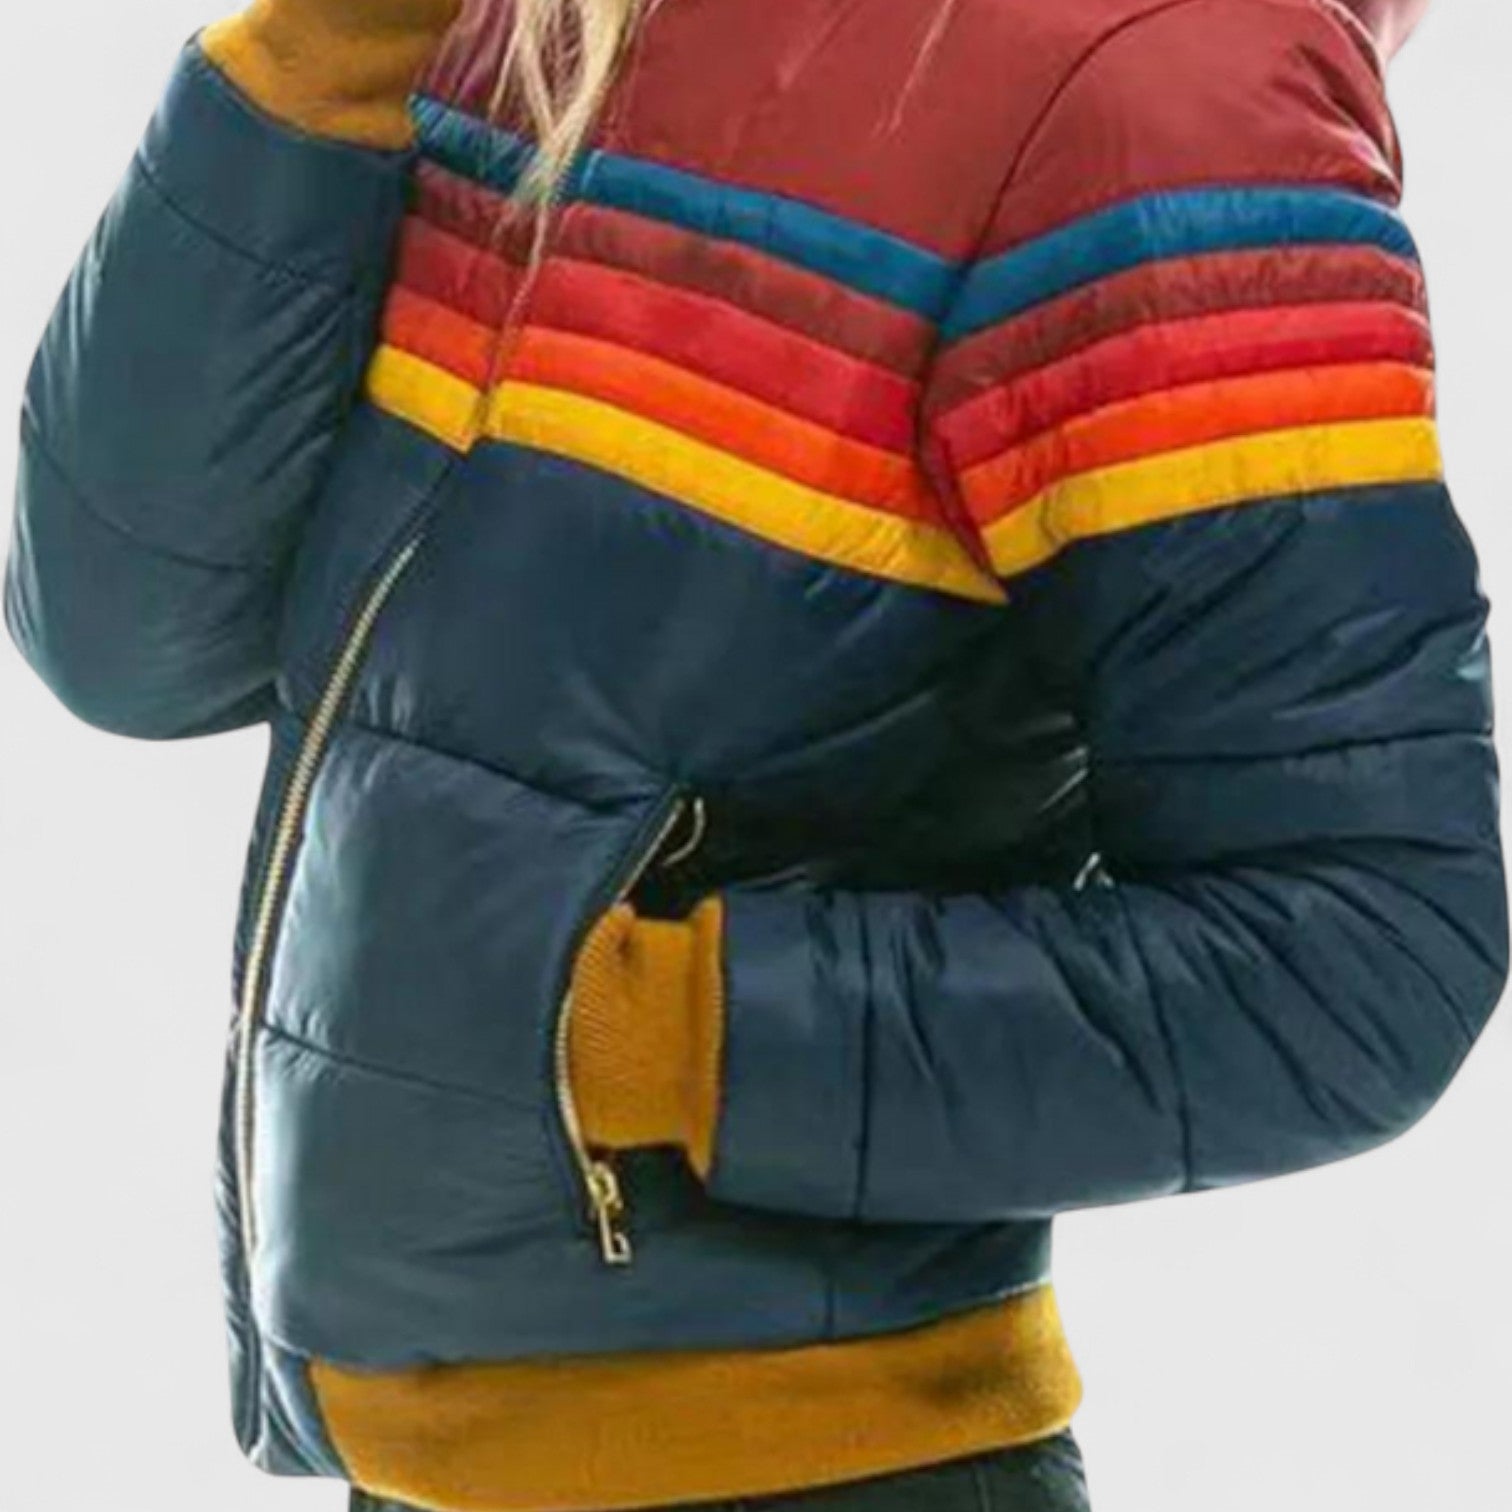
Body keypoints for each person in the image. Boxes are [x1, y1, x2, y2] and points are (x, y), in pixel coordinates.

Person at [5, 0, 1503, 1508]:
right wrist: (331, 45)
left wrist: (659, 1043)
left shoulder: (1153, 82)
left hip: (817, 1465)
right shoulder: (533, 24)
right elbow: (126, 635)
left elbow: (1365, 942)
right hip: (417, 1456)